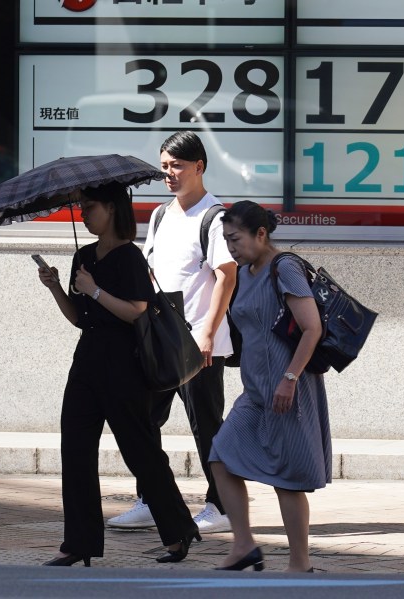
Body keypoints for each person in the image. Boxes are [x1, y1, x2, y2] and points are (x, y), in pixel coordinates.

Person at [38, 182, 199, 567]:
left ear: (112, 208)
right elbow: (80, 318)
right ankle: (79, 544)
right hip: (88, 360)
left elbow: (137, 310)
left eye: (89, 206)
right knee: (75, 448)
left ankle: (179, 531)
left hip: (125, 364)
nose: (83, 212)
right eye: (81, 207)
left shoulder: (128, 256)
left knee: (139, 450)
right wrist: (57, 288)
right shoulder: (84, 255)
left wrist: (94, 291)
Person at [108, 131, 237, 534]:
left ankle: (221, 506)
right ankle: (150, 497)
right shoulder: (162, 214)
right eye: (164, 166)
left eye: (177, 165)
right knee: (145, 420)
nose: (170, 173)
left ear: (200, 166)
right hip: (161, 340)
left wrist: (209, 334)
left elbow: (226, 278)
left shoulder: (215, 218)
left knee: (206, 424)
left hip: (198, 342)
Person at [210, 201, 331, 573]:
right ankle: (244, 544)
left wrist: (290, 379)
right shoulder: (244, 273)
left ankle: (300, 564)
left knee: (288, 479)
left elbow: (312, 328)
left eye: (236, 239)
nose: (232, 248)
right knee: (221, 455)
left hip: (288, 387)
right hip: (256, 390)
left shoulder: (286, 268)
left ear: (261, 234)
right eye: (226, 240)